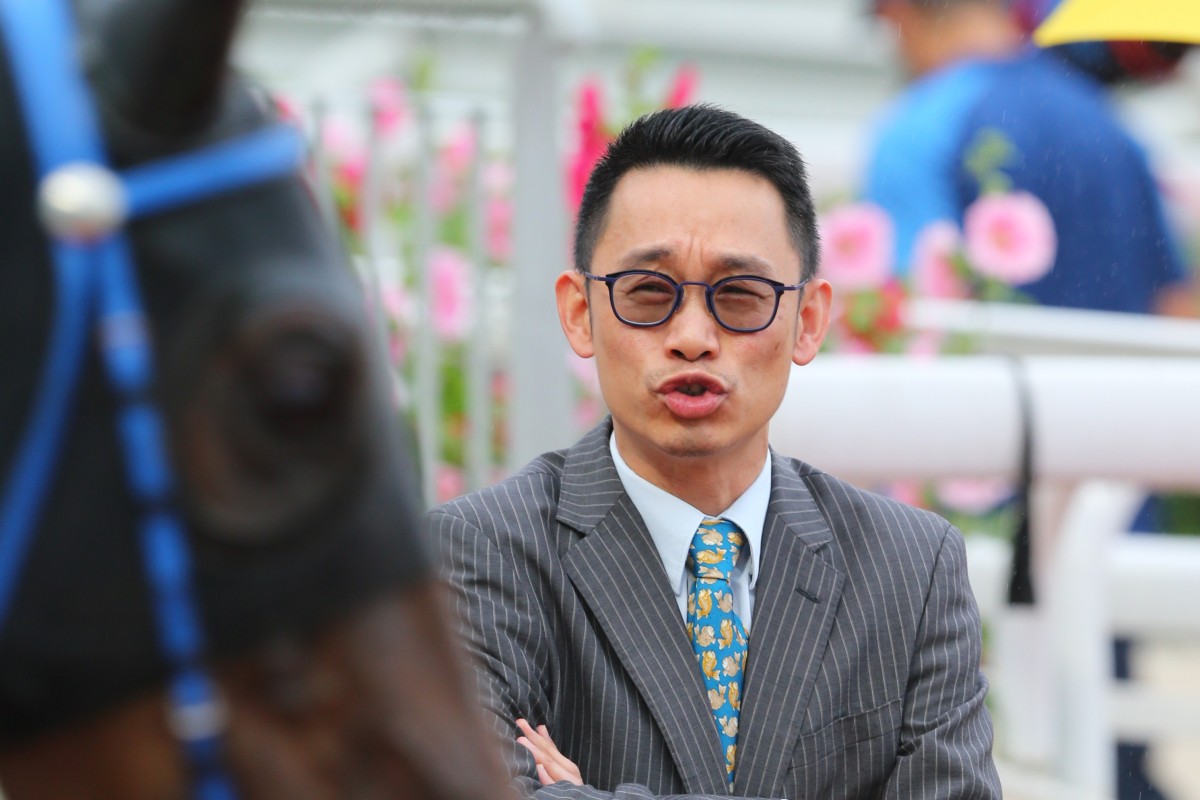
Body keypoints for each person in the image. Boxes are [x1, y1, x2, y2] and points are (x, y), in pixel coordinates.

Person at [429, 104, 1001, 799]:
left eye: (740, 295)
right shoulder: (480, 553)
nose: (693, 336)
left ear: (809, 320)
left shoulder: (911, 570)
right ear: (580, 313)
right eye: (647, 294)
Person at [866, 0, 1195, 317]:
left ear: (899, 15)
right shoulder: (1109, 122)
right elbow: (1175, 303)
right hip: (1126, 372)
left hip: (997, 371)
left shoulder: (917, 129)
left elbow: (912, 310)